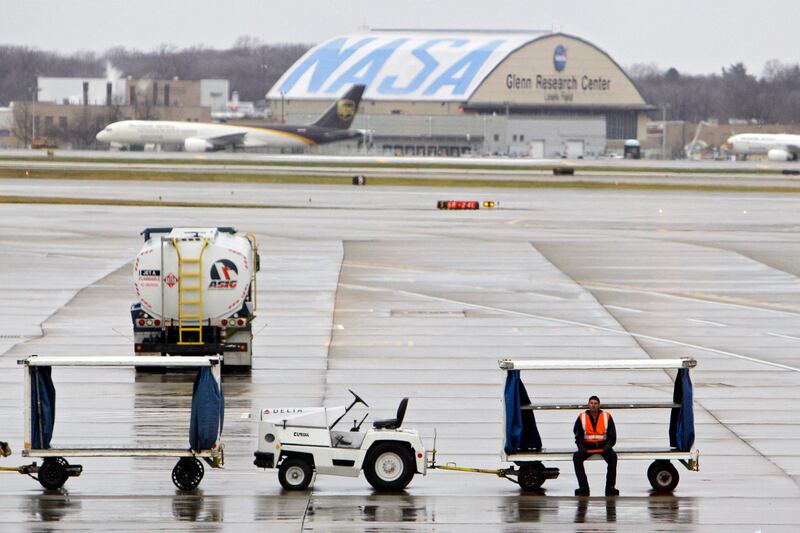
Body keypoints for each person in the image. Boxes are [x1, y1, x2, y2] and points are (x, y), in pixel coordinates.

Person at [573, 395, 618, 496]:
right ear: (588, 404)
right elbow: (577, 434)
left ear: (599, 405)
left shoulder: (607, 416)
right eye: (591, 403)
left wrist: (608, 446)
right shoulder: (582, 417)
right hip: (588, 446)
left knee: (613, 457)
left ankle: (610, 487)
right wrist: (580, 447)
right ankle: (583, 487)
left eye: (595, 403)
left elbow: (612, 435)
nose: (593, 405)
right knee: (576, 457)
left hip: (603, 446)